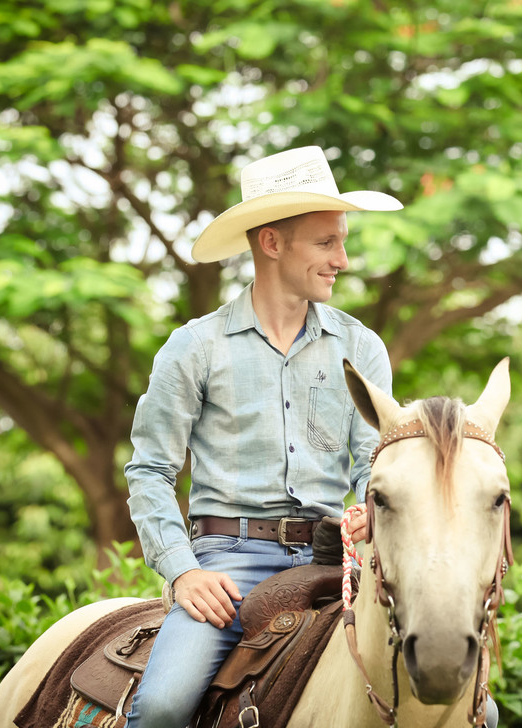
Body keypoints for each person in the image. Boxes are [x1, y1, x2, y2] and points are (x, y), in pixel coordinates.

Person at [123, 145, 402, 728]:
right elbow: (150, 470)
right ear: (271, 242)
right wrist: (182, 570)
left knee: (476, 709)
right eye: (326, 243)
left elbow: (373, 460)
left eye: (342, 241)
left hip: (334, 558)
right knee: (164, 707)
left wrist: (368, 509)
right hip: (229, 565)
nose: (343, 260)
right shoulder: (195, 348)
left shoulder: (361, 347)